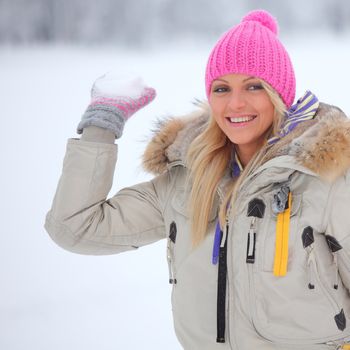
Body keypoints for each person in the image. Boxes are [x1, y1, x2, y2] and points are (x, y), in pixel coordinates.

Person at [44, 9, 350, 350]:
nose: (235, 103)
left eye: (253, 86)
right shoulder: (186, 180)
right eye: (221, 88)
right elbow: (75, 227)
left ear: (279, 94)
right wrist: (101, 126)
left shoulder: (326, 177)